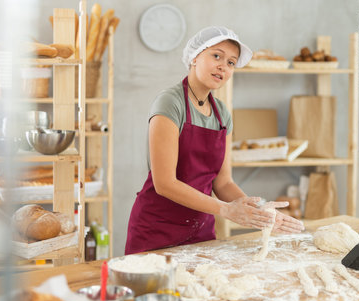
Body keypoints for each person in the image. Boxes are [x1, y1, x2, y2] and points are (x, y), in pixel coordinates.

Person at [125, 26, 304, 255]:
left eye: (231, 62)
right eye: (217, 56)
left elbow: (223, 183)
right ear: (194, 57)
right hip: (156, 231)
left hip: (200, 233)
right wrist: (226, 210)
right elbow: (164, 183)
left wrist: (260, 213)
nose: (223, 66)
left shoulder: (221, 114)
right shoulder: (170, 103)